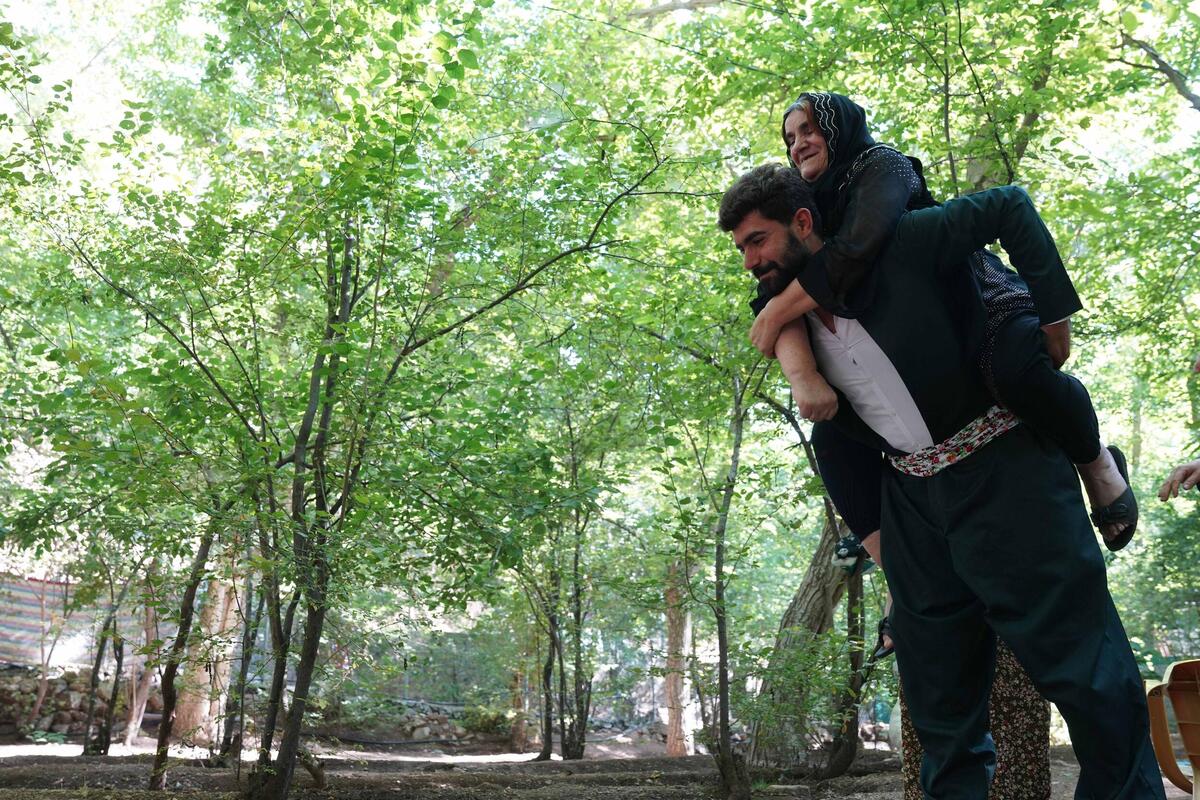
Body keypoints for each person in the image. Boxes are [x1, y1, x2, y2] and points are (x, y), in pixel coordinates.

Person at [719, 163, 1164, 799]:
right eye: (741, 248)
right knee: (939, 707)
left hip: (1008, 474)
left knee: (1087, 675)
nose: (750, 261)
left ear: (804, 221)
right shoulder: (781, 310)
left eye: (757, 241)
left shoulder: (904, 242)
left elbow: (1009, 205)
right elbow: (787, 346)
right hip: (913, 506)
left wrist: (1055, 320)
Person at [751, 92, 1136, 550]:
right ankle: (896, 571)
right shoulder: (806, 210)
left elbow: (857, 247)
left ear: (840, 129)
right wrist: (800, 369)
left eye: (809, 130)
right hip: (901, 338)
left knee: (1013, 371)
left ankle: (1098, 464)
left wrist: (1055, 320)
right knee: (832, 440)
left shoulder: (881, 165)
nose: (798, 145)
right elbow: (774, 287)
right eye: (790, 139)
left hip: (978, 301)